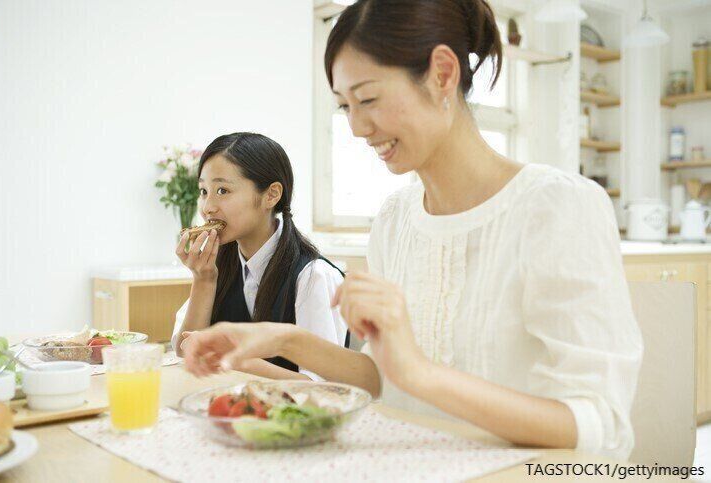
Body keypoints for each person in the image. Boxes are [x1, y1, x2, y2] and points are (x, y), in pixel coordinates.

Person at [182, 0, 642, 459]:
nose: (357, 128)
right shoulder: (395, 219)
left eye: (368, 99)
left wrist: (420, 373)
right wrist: (283, 339)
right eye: (345, 106)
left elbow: (598, 424)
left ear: (442, 74)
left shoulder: (558, 206)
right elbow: (384, 380)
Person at [171, 132, 348, 380]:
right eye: (203, 191)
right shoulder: (218, 265)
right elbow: (185, 353)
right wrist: (204, 280)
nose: (208, 207)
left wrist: (230, 357)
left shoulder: (313, 276)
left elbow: (323, 386)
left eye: (222, 190)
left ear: (271, 195)